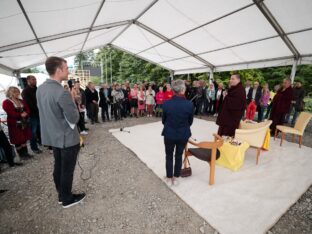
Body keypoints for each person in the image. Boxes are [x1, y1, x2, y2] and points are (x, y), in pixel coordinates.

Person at [37, 56, 85, 208]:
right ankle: (66, 199)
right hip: (66, 137)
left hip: (53, 136)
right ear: (58, 70)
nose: (68, 71)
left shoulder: (41, 88)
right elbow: (74, 117)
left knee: (58, 166)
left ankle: (61, 194)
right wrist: (74, 103)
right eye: (66, 68)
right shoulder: (61, 92)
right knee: (67, 169)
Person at [162, 79, 193, 186]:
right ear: (183, 90)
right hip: (183, 134)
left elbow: (163, 121)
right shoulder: (189, 104)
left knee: (169, 155)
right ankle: (175, 177)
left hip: (169, 133)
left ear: (173, 90)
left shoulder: (166, 104)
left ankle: (169, 177)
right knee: (179, 155)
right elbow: (190, 122)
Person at [2, 87, 32, 159]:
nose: (17, 94)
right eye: (15, 92)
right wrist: (20, 115)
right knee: (17, 138)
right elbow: (10, 113)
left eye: (18, 92)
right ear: (11, 93)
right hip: (14, 123)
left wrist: (26, 113)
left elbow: (27, 109)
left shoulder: (21, 100)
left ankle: (26, 153)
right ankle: (21, 154)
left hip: (23, 121)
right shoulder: (6, 102)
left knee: (24, 136)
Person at [21, 75, 42, 154]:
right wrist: (39, 109)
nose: (35, 81)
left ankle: (41, 142)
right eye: (33, 79)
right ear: (28, 81)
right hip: (32, 115)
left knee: (40, 130)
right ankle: (34, 148)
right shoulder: (25, 91)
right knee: (32, 132)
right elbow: (29, 104)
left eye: (35, 79)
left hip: (39, 113)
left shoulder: (37, 89)